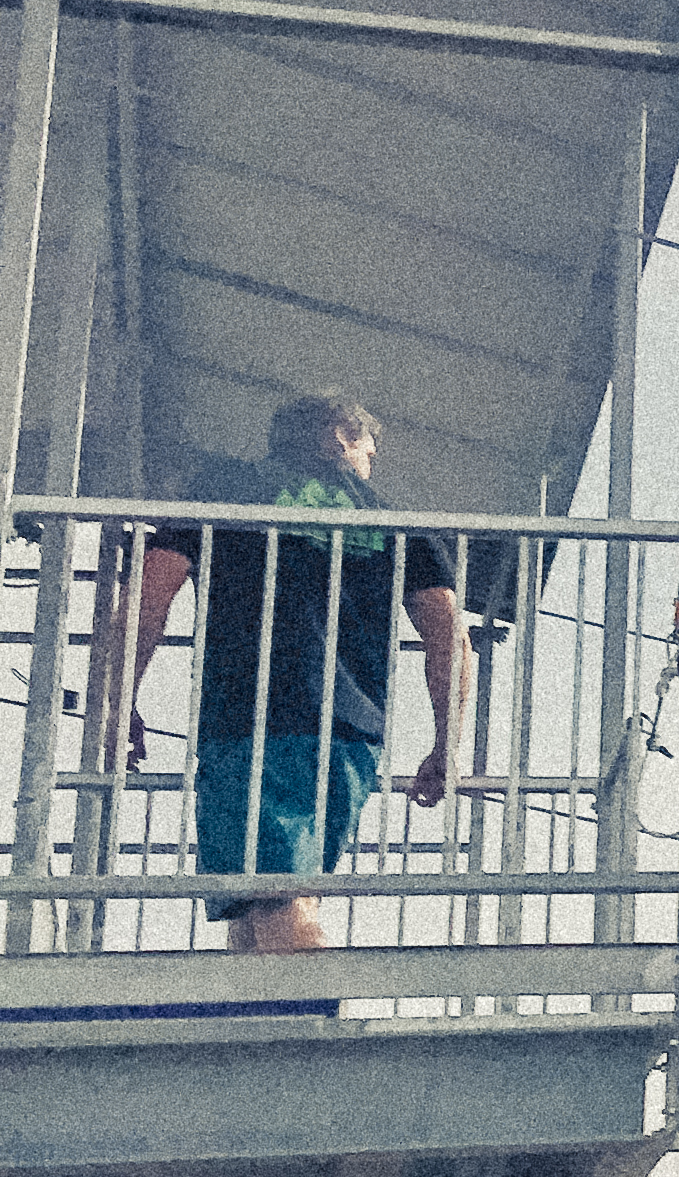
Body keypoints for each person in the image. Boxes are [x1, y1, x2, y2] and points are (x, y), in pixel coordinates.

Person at [117, 390, 468, 954]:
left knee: (278, 898)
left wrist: (118, 702)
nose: (369, 463)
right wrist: (445, 743)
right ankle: (261, 1035)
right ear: (339, 437)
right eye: (368, 449)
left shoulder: (223, 491)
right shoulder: (393, 520)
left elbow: (147, 597)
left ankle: (326, 1035)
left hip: (250, 717)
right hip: (351, 734)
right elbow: (448, 633)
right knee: (260, 903)